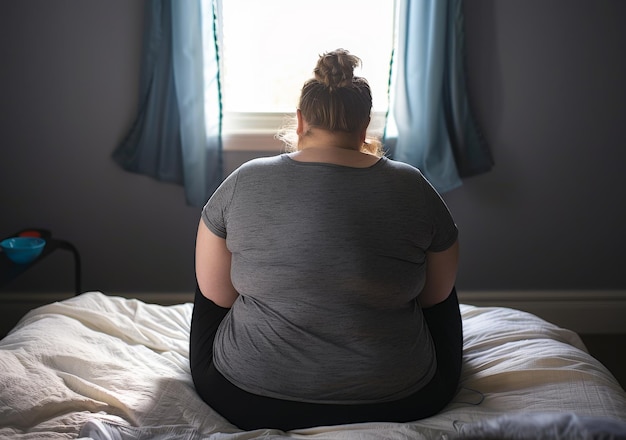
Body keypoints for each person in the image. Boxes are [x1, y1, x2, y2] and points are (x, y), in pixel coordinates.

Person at [190, 49, 462, 431]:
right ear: (364, 125)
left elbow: (218, 295)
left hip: (246, 397)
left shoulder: (244, 180)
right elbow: (435, 295)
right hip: (403, 399)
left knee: (214, 264)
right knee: (436, 275)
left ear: (301, 120)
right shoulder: (413, 185)